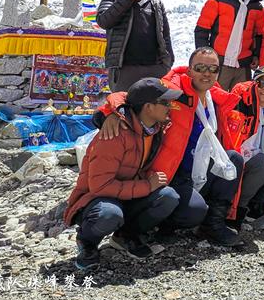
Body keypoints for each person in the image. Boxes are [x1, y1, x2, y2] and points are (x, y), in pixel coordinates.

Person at [95, 47, 244, 247]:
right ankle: (162, 225)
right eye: (200, 68)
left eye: (213, 69)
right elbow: (130, 94)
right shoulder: (174, 89)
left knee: (233, 159)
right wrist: (113, 112)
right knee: (193, 211)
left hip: (199, 168)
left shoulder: (216, 99)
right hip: (173, 173)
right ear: (189, 70)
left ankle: (212, 224)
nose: (207, 73)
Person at [65, 78, 181, 270]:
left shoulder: (155, 129)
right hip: (96, 198)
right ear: (148, 107)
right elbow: (100, 186)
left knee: (168, 197)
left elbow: (123, 97)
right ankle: (87, 241)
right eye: (165, 102)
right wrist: (148, 186)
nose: (170, 107)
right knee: (109, 214)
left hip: (127, 194)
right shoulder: (115, 133)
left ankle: (125, 236)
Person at [215, 66, 264, 223]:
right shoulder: (238, 103)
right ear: (253, 85)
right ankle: (236, 208)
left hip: (258, 157)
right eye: (260, 83)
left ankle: (257, 204)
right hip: (235, 159)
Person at [97, 0, 174, 91]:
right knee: (125, 103)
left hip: (155, 68)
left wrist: (167, 62)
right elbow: (104, 21)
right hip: (124, 69)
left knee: (155, 103)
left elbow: (165, 34)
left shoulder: (155, 1)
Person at [194, 0, 264, 90]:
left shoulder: (258, 8)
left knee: (240, 99)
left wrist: (256, 55)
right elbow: (202, 31)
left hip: (243, 66)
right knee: (214, 98)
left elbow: (258, 35)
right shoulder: (217, 2)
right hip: (218, 64)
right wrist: (204, 57)